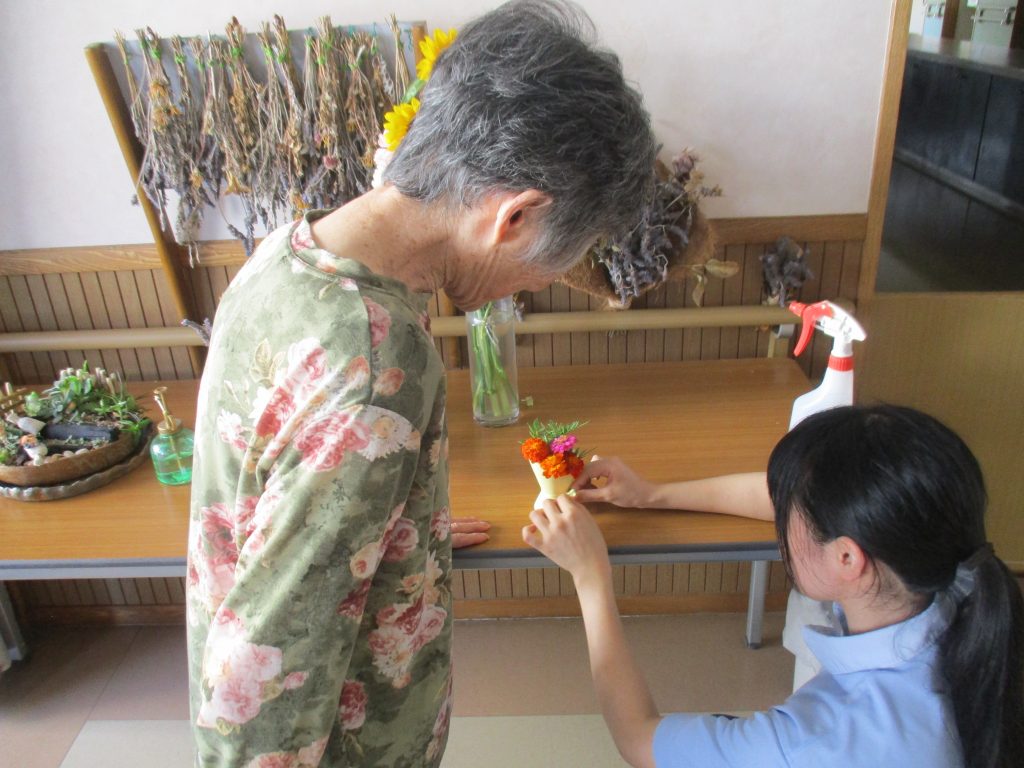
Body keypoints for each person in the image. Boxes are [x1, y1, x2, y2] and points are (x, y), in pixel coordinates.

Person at [186, 1, 657, 765]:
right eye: (561, 259)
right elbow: (262, 692)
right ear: (514, 217)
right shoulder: (377, 363)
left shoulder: (289, 252)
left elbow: (282, 489)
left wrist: (401, 521)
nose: (543, 282)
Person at [524, 405, 1024, 767]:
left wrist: (590, 577)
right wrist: (652, 494)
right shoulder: (955, 572)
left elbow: (638, 740)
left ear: (848, 557)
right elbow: (785, 498)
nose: (779, 517)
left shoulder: (811, 742)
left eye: (790, 512)